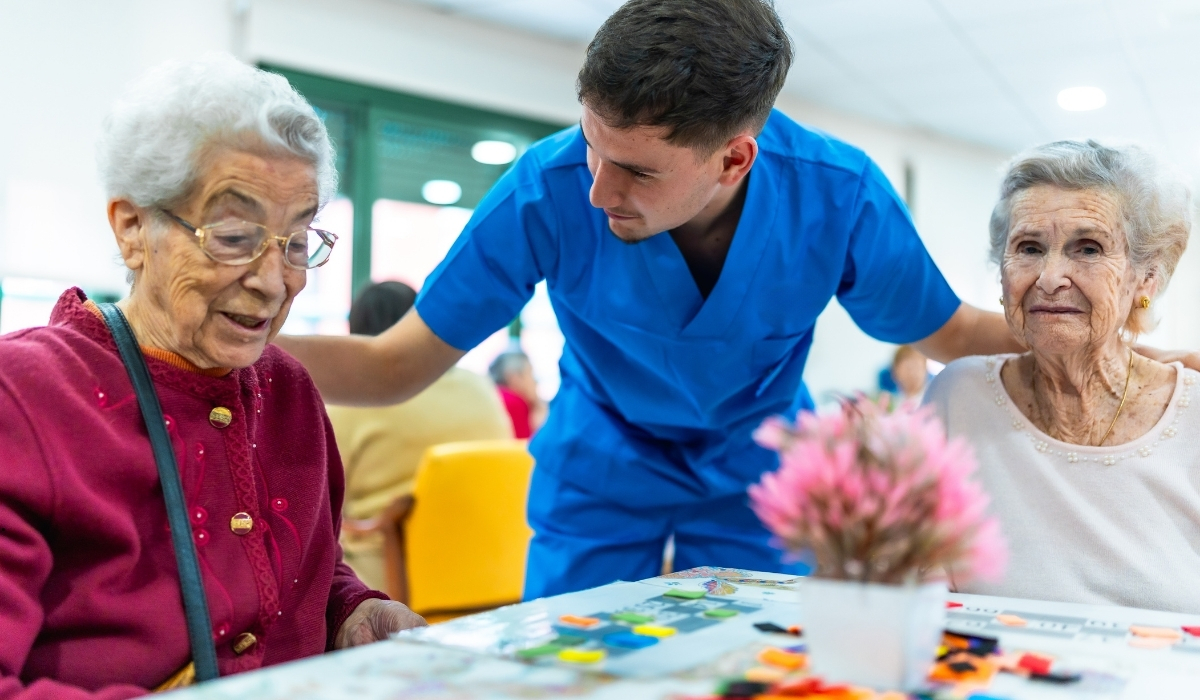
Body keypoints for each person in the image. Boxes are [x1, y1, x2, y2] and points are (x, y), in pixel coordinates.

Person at [275, 0, 1195, 599]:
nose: (597, 189)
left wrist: (1135, 356)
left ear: (733, 159)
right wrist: (206, 348)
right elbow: (395, 365)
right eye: (591, 146)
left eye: (635, 169)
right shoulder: (545, 189)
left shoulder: (838, 195)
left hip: (758, 467)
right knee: (571, 671)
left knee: (764, 666)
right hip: (603, 464)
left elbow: (951, 329)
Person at [0, 55, 423, 697]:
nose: (273, 279)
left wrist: (353, 611)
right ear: (133, 228)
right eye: (232, 235)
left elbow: (308, 571)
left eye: (297, 240)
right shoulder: (25, 395)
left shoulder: (288, 391)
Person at [925, 140, 1200, 613]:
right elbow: (915, 584)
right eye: (1029, 248)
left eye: (1088, 248)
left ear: (1146, 278)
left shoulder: (1193, 415)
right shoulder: (957, 397)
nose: (1050, 276)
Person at [329, 281, 513, 590]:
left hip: (393, 582)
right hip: (495, 571)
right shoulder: (481, 389)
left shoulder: (353, 401)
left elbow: (319, 498)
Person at [489, 351, 547, 438]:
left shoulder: (491, 395)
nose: (535, 381)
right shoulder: (515, 402)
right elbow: (527, 448)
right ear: (514, 377)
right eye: (530, 373)